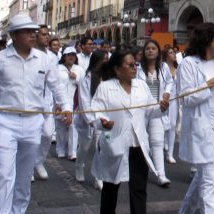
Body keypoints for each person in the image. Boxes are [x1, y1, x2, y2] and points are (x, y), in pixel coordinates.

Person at [0, 14, 71, 213]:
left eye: (34, 31)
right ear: (14, 36)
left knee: (23, 177)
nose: (33, 35)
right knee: (4, 174)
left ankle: (18, 211)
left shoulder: (45, 60)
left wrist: (65, 105)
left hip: (33, 123)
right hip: (5, 122)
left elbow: (57, 86)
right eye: (27, 32)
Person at [92, 50, 166, 214]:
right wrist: (103, 122)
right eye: (130, 65)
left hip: (138, 145)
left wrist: (161, 108)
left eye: (136, 65)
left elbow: (150, 110)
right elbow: (95, 112)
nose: (135, 68)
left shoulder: (141, 85)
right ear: (117, 69)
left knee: (139, 189)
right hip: (114, 143)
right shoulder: (105, 87)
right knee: (111, 188)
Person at [177, 22, 214, 214]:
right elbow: (185, 98)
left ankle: (185, 210)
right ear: (206, 40)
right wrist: (212, 82)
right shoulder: (188, 64)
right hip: (201, 126)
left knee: (203, 177)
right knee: (209, 180)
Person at [136, 39, 172, 187]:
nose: (150, 51)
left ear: (158, 52)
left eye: (153, 49)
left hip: (158, 109)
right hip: (142, 110)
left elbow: (170, 82)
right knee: (142, 141)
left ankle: (161, 175)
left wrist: (167, 93)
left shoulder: (163, 67)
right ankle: (145, 168)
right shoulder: (138, 69)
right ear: (144, 52)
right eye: (148, 49)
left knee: (157, 141)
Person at [75, 50, 108, 190]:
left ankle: (98, 177)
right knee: (84, 147)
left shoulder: (109, 77)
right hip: (89, 119)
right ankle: (79, 165)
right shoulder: (86, 78)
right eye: (104, 59)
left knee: (101, 148)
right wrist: (90, 119)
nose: (106, 61)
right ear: (97, 61)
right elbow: (84, 100)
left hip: (104, 117)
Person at [34, 25, 58, 180]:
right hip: (32, 103)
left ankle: (39, 161)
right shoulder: (30, 54)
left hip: (48, 102)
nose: (47, 37)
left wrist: (60, 102)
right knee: (32, 137)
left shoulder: (52, 57)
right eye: (43, 34)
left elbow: (56, 82)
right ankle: (28, 167)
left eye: (48, 34)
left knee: (48, 134)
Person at [56, 47, 84, 160]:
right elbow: (54, 86)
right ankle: (60, 149)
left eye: (73, 55)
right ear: (64, 57)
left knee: (73, 126)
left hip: (74, 102)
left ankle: (72, 152)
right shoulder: (58, 69)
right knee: (60, 127)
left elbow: (84, 84)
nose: (71, 57)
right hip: (60, 102)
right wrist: (56, 102)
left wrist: (76, 78)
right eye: (69, 55)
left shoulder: (79, 69)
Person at [162, 47, 179, 165]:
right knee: (163, 124)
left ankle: (170, 153)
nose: (174, 55)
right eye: (171, 53)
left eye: (174, 52)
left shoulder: (179, 68)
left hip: (175, 100)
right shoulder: (162, 67)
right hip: (163, 99)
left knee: (172, 125)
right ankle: (162, 143)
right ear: (166, 56)